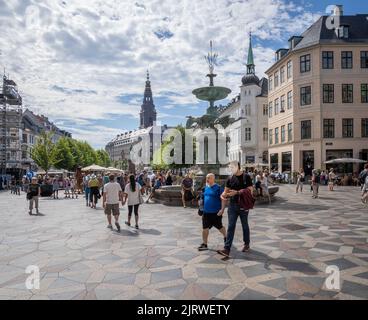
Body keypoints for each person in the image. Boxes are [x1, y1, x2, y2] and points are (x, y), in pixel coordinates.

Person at [217, 161, 254, 258]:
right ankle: (227, 249)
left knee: (245, 225)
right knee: (230, 226)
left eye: (232, 167)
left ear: (238, 166)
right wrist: (223, 195)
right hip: (232, 206)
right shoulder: (229, 178)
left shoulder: (246, 177)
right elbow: (225, 192)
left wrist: (237, 192)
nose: (231, 169)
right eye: (230, 167)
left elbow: (250, 190)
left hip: (243, 206)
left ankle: (246, 244)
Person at [198, 173, 227, 251]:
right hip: (206, 212)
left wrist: (222, 209)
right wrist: (200, 208)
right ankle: (205, 244)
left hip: (216, 212)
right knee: (205, 228)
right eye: (207, 178)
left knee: (220, 227)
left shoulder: (218, 188)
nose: (207, 179)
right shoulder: (205, 188)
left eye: (209, 178)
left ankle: (226, 237)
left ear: (213, 179)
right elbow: (202, 199)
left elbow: (223, 199)